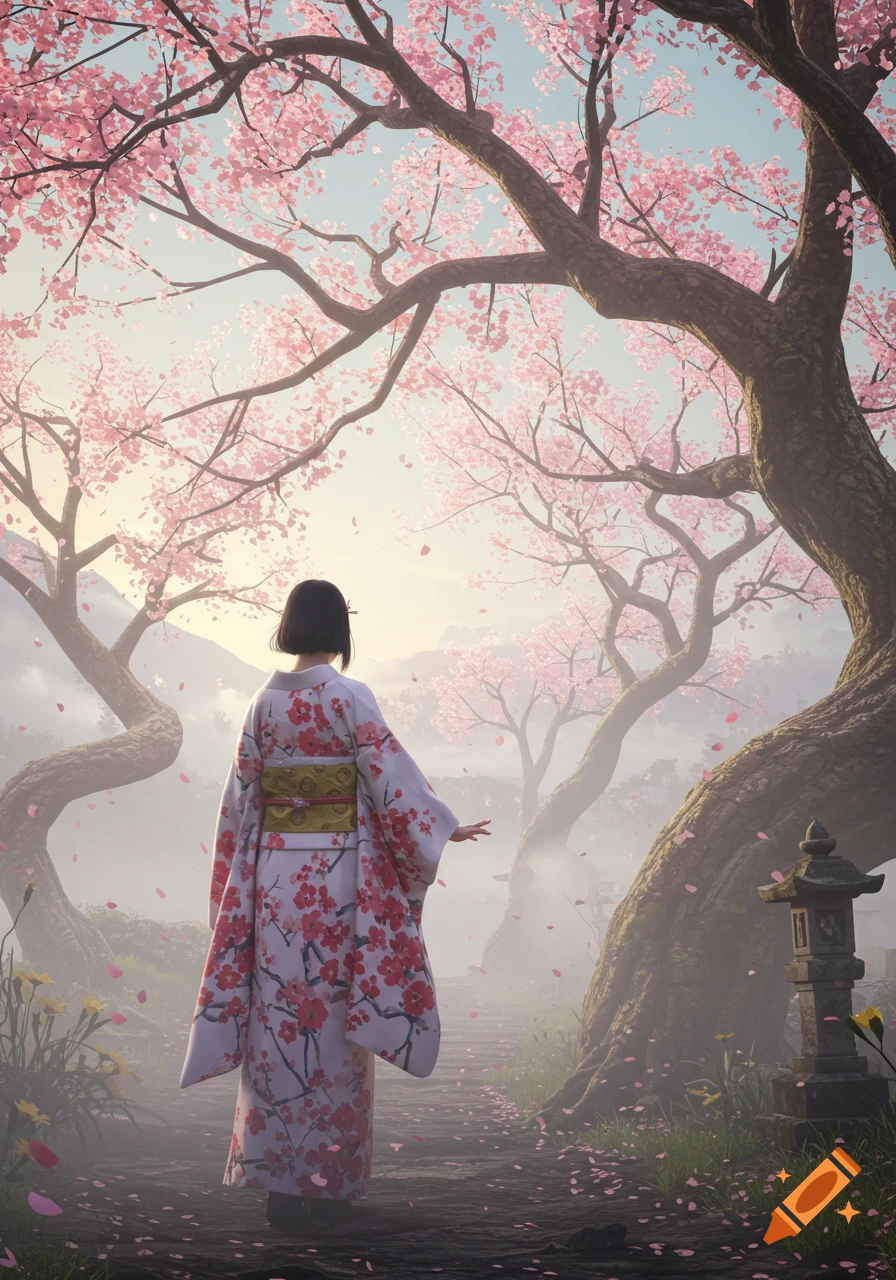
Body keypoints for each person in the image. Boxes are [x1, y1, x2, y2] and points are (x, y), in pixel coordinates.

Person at [179, 579, 491, 1232]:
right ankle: (325, 1185)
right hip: (338, 882)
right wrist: (440, 827)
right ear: (339, 629)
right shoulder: (350, 697)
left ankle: (276, 1183)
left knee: (277, 1025)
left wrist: (230, 893)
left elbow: (238, 802)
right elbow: (389, 780)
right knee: (330, 1026)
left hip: (273, 884)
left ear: (289, 626)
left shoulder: (262, 703)